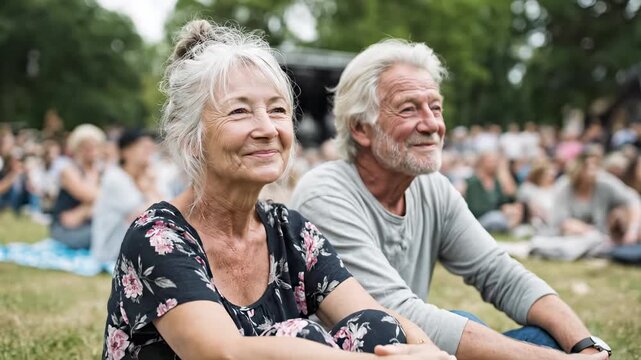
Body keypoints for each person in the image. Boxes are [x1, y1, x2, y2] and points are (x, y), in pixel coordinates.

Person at [102, 20, 454, 360]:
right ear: (190, 137)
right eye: (240, 111)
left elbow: (375, 314)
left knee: (376, 328)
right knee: (302, 339)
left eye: (278, 110)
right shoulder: (157, 236)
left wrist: (425, 350)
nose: (267, 128)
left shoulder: (292, 233)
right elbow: (223, 353)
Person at [291, 39, 611, 360]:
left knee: (544, 335)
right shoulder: (325, 194)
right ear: (361, 128)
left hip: (421, 350)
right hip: (365, 353)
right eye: (409, 108)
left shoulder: (432, 188)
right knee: (470, 326)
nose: (432, 124)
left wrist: (585, 345)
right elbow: (394, 312)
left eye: (435, 107)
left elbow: (498, 272)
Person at [91, 130, 163, 263]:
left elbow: (168, 207)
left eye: (151, 148)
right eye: (144, 147)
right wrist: (149, 189)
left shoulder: (146, 177)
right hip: (112, 249)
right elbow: (145, 215)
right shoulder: (115, 178)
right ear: (126, 151)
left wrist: (150, 187)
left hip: (134, 244)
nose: (149, 153)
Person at [551, 146, 641, 245]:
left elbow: (633, 200)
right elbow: (560, 221)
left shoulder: (604, 181)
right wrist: (586, 230)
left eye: (595, 165)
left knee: (621, 213)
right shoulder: (564, 186)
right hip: (569, 237)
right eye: (588, 166)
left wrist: (632, 231)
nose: (592, 170)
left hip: (602, 238)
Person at [50, 124, 105, 249]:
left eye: (95, 146)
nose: (92, 150)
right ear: (77, 148)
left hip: (87, 223)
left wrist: (84, 211)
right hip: (65, 229)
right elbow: (87, 194)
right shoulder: (68, 171)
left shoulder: (103, 171)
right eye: (86, 147)